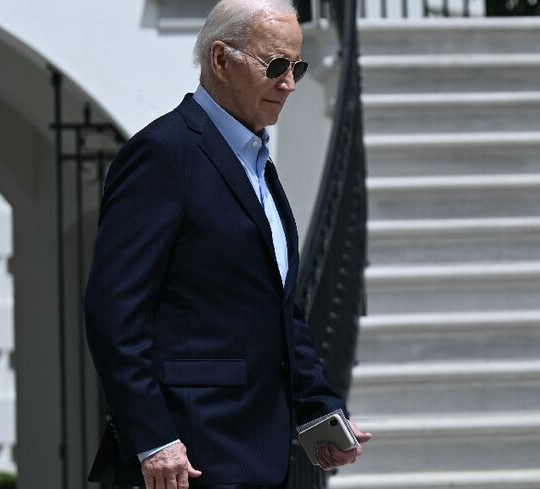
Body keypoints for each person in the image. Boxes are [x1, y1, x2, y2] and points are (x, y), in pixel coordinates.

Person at [83, 1, 371, 488]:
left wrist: (319, 406)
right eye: (275, 65)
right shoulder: (163, 155)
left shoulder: (257, 161)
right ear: (220, 59)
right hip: (188, 459)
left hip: (261, 454)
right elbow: (113, 311)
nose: (290, 83)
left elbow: (279, 308)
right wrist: (153, 438)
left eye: (297, 67)